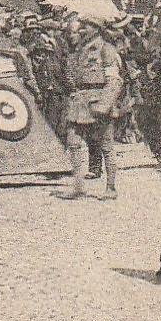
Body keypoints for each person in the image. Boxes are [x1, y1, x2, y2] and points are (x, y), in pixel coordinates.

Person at [56, 15, 126, 201]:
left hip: (98, 104)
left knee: (106, 147)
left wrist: (104, 105)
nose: (81, 30)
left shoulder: (106, 49)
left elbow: (115, 82)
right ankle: (78, 187)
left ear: (96, 28)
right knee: (73, 142)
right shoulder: (79, 50)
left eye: (85, 26)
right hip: (79, 103)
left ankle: (111, 188)